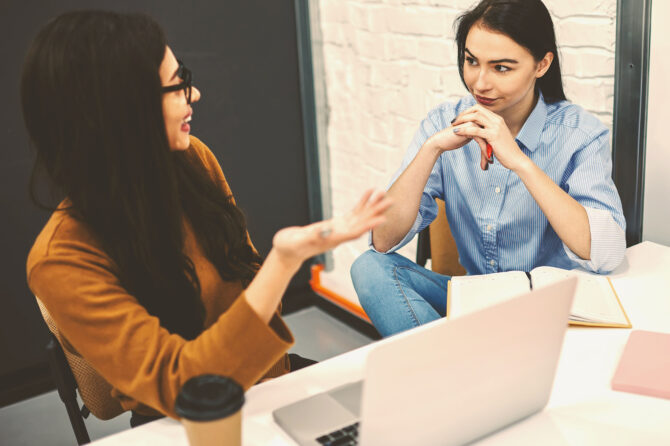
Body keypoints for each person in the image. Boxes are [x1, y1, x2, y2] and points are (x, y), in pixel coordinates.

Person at [22, 11, 390, 424]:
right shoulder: (60, 259)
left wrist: (275, 270)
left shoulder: (192, 159)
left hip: (268, 381)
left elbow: (254, 291)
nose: (194, 94)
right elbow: (188, 388)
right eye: (178, 84)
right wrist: (285, 260)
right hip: (184, 423)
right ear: (123, 110)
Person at [350, 0, 625, 337]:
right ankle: (456, 368)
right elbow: (383, 241)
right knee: (369, 267)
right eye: (471, 62)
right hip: (475, 300)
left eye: (501, 68)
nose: (479, 83)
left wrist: (519, 161)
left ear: (542, 64)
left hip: (549, 308)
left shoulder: (579, 134)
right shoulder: (443, 122)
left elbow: (608, 253)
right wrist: (432, 148)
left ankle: (453, 370)